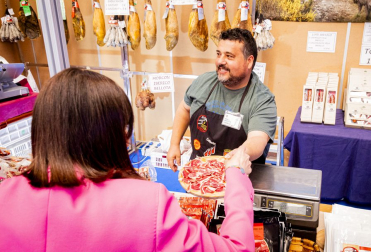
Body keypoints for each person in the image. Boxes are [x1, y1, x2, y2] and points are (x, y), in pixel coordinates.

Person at [0, 68, 254, 252]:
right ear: (114, 134)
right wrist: (236, 175)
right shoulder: (146, 203)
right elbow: (237, 249)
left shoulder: (5, 195)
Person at [167, 28, 277, 172]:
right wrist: (174, 144)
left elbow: (257, 140)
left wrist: (238, 155)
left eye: (229, 56)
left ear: (249, 61)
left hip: (239, 179)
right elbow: (184, 109)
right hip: (199, 176)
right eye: (218, 54)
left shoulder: (262, 99)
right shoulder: (203, 82)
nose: (220, 61)